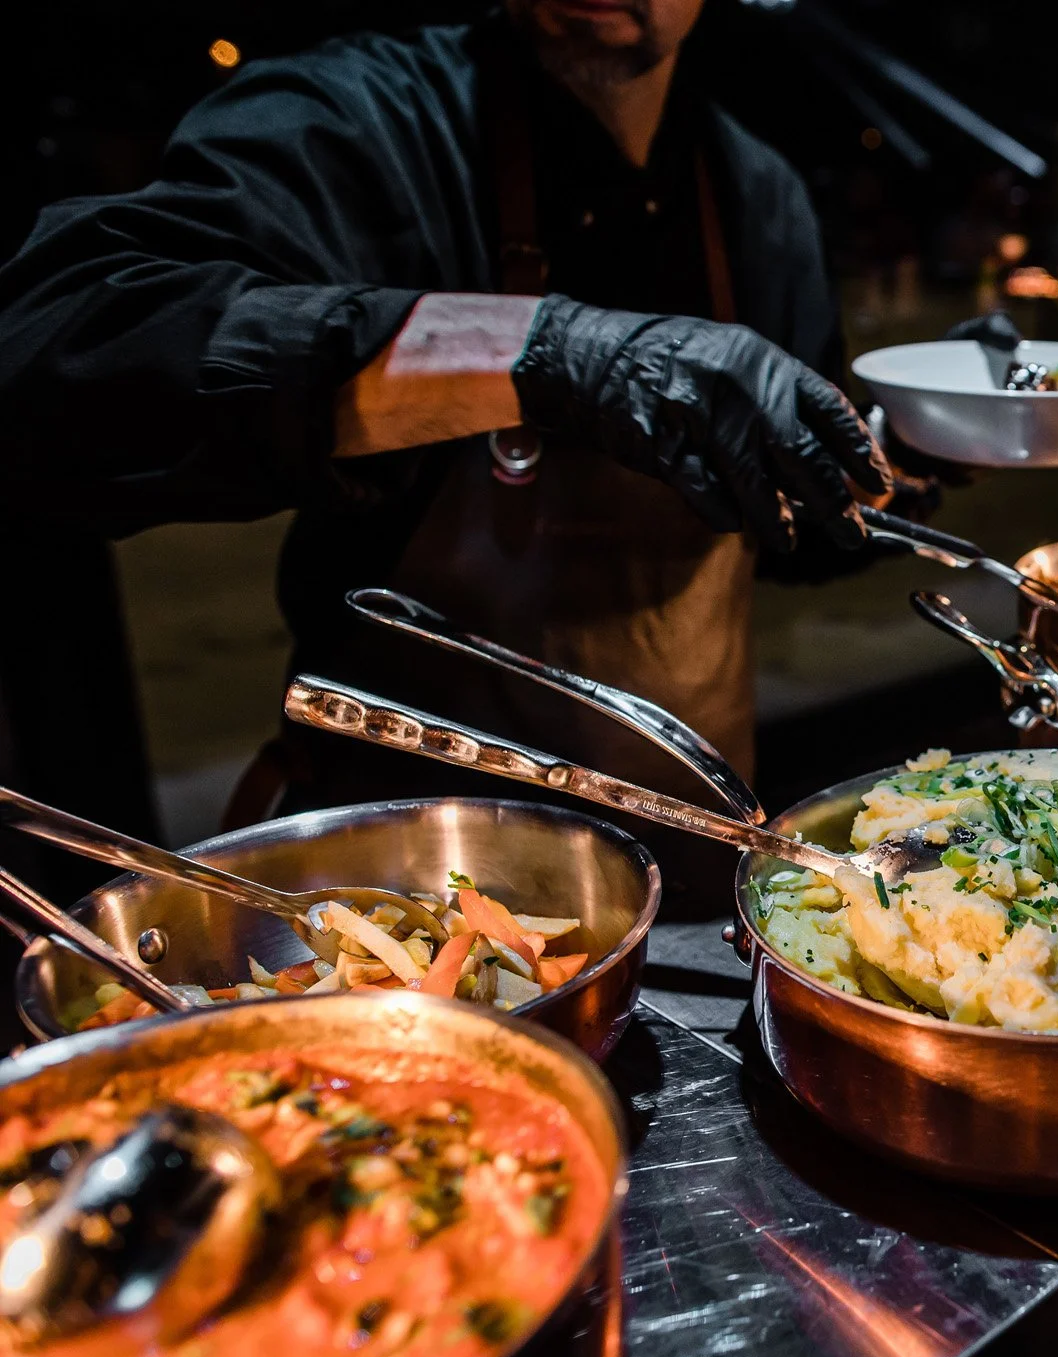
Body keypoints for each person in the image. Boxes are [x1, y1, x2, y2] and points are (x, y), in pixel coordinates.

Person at [0, 0, 915, 892]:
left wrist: (902, 453)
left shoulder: (758, 195)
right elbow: (52, 350)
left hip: (692, 877)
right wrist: (542, 355)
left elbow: (792, 529)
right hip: (391, 891)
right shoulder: (358, 121)